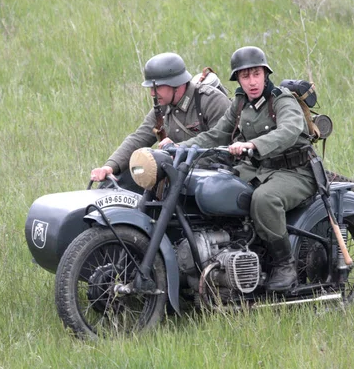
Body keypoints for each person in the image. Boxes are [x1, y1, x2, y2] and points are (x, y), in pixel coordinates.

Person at [174, 46, 318, 292]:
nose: (252, 82)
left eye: (256, 74)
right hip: (258, 170)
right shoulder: (240, 103)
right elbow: (215, 135)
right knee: (216, 188)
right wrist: (177, 149)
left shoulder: (282, 100)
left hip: (296, 170)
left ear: (265, 74)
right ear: (238, 79)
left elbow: (289, 130)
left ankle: (285, 264)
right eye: (245, 76)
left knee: (265, 199)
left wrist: (253, 144)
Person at [90, 52, 231, 186]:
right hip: (180, 173)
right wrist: (110, 166)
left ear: (177, 84)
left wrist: (180, 151)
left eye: (157, 87)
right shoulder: (162, 107)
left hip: (212, 178)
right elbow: (139, 138)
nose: (152, 93)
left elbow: (221, 144)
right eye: (151, 88)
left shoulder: (211, 101)